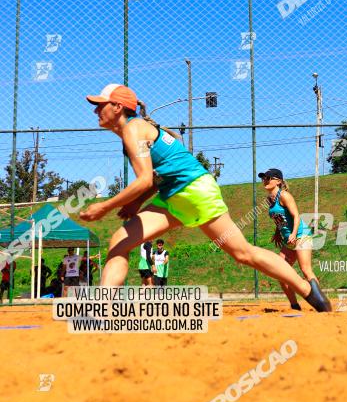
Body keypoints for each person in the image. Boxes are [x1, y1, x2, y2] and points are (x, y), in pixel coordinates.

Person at [79, 84, 331, 311]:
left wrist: (105, 206)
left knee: (243, 253)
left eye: (100, 105)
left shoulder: (133, 130)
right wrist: (134, 201)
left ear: (118, 106)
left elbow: (145, 179)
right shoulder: (136, 131)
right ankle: (104, 309)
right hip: (176, 197)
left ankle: (308, 290)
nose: (96, 111)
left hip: (193, 191)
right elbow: (157, 177)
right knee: (120, 242)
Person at [259, 168, 319, 310]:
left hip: (301, 235)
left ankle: (321, 301)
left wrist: (293, 234)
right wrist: (277, 232)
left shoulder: (284, 196)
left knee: (306, 270)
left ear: (278, 181)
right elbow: (279, 218)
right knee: (281, 272)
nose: (265, 180)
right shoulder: (269, 200)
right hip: (288, 240)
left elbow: (296, 216)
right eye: (264, 178)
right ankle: (295, 305)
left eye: (268, 178)